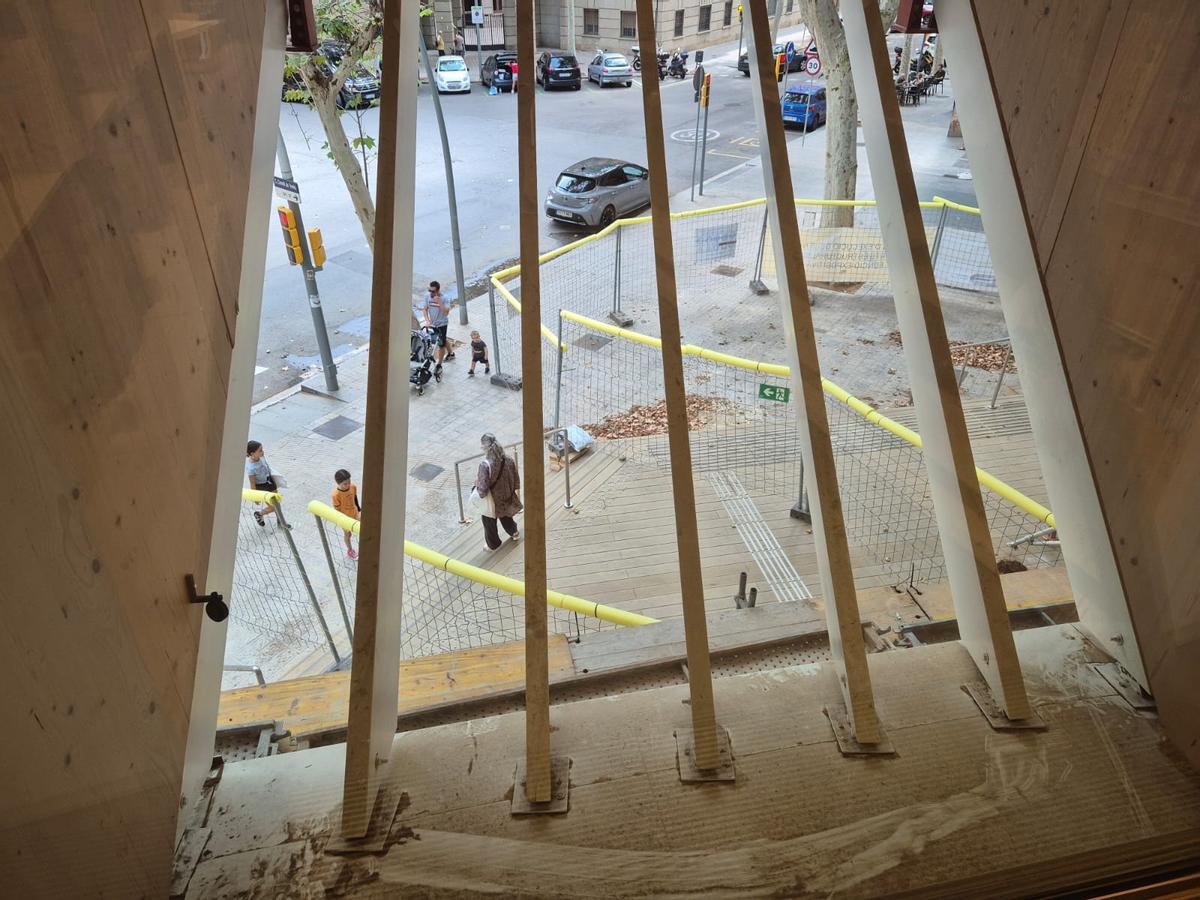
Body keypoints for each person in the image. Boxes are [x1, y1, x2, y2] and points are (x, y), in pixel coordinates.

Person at [476, 433, 522, 550]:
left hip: (493, 499)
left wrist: (477, 487)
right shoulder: (508, 460)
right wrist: (512, 491)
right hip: (507, 495)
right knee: (506, 514)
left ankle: (493, 544)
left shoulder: (485, 465)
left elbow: (483, 490)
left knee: (488, 521)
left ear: (484, 447)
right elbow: (516, 478)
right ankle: (514, 532)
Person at [415, 280, 453, 371]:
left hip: (442, 323)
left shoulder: (445, 298)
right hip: (432, 324)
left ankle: (439, 364)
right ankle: (451, 353)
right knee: (442, 338)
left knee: (441, 344)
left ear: (438, 290)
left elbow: (446, 312)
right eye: (429, 290)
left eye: (433, 291)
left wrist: (439, 302)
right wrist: (427, 321)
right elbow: (425, 309)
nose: (431, 293)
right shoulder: (427, 296)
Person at [245, 440, 278, 526]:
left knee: (276, 503)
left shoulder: (261, 457)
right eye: (260, 450)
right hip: (262, 487)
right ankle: (259, 514)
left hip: (269, 481)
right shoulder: (251, 468)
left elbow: (266, 466)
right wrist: (255, 497)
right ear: (252, 454)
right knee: (274, 507)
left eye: (262, 449)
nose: (263, 452)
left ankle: (280, 521)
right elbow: (252, 484)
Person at [331, 468, 361, 560]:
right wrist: (343, 521)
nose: (347, 485)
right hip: (345, 517)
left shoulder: (353, 486)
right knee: (348, 535)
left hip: (355, 512)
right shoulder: (335, 495)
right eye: (345, 484)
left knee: (362, 530)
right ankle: (350, 550)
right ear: (338, 483)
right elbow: (337, 510)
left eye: (349, 482)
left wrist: (359, 509)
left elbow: (355, 498)